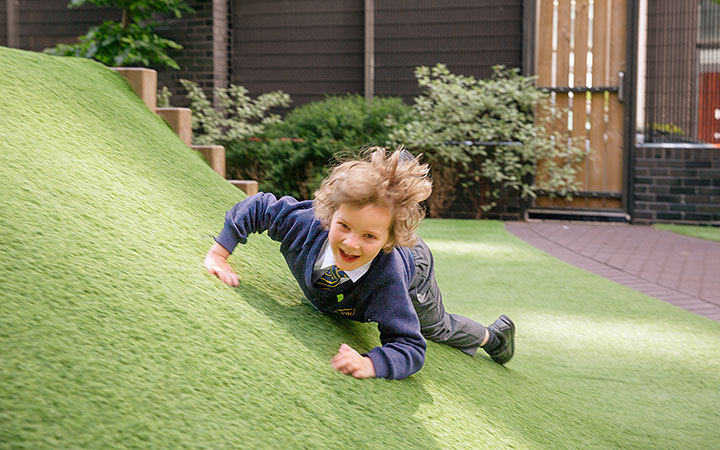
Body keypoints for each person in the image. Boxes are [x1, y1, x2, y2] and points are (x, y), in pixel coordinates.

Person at [204, 147, 515, 380]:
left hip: (414, 265)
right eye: (345, 227)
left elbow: (410, 346)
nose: (351, 243)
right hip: (340, 276)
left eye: (368, 236)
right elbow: (258, 207)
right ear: (329, 215)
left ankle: (493, 336)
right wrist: (220, 253)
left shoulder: (387, 279)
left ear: (388, 240)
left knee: (434, 327)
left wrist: (372, 363)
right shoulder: (306, 224)